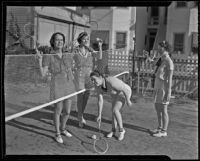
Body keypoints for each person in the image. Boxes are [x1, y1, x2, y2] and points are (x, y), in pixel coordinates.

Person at [37, 32, 75, 143]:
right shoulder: (49, 56)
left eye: (61, 40)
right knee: (58, 110)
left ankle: (63, 128)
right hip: (57, 85)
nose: (60, 42)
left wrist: (73, 82)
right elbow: (43, 74)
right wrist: (39, 61)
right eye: (57, 40)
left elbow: (70, 70)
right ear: (53, 42)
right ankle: (57, 133)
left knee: (67, 111)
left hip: (68, 85)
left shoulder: (67, 55)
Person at [90, 70, 133, 141]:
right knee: (113, 112)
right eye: (92, 80)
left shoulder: (111, 81)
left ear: (100, 77)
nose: (93, 82)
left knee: (115, 110)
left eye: (94, 79)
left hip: (124, 92)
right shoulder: (97, 86)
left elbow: (124, 89)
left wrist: (128, 100)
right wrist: (99, 115)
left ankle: (122, 131)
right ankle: (113, 130)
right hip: (114, 94)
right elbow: (100, 100)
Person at [73, 32, 103, 128]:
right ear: (80, 40)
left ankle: (81, 114)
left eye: (87, 39)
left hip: (89, 76)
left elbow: (100, 57)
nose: (86, 40)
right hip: (79, 76)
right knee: (80, 97)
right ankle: (80, 117)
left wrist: (100, 46)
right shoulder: (75, 50)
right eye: (84, 39)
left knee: (86, 96)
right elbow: (68, 60)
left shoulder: (90, 50)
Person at [151, 40, 174, 137]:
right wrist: (152, 59)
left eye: (159, 47)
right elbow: (154, 68)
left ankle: (164, 131)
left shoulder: (169, 61)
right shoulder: (161, 59)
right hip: (157, 87)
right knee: (157, 107)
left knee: (163, 109)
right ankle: (159, 127)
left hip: (164, 88)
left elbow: (170, 78)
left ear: (164, 48)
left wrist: (168, 92)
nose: (157, 48)